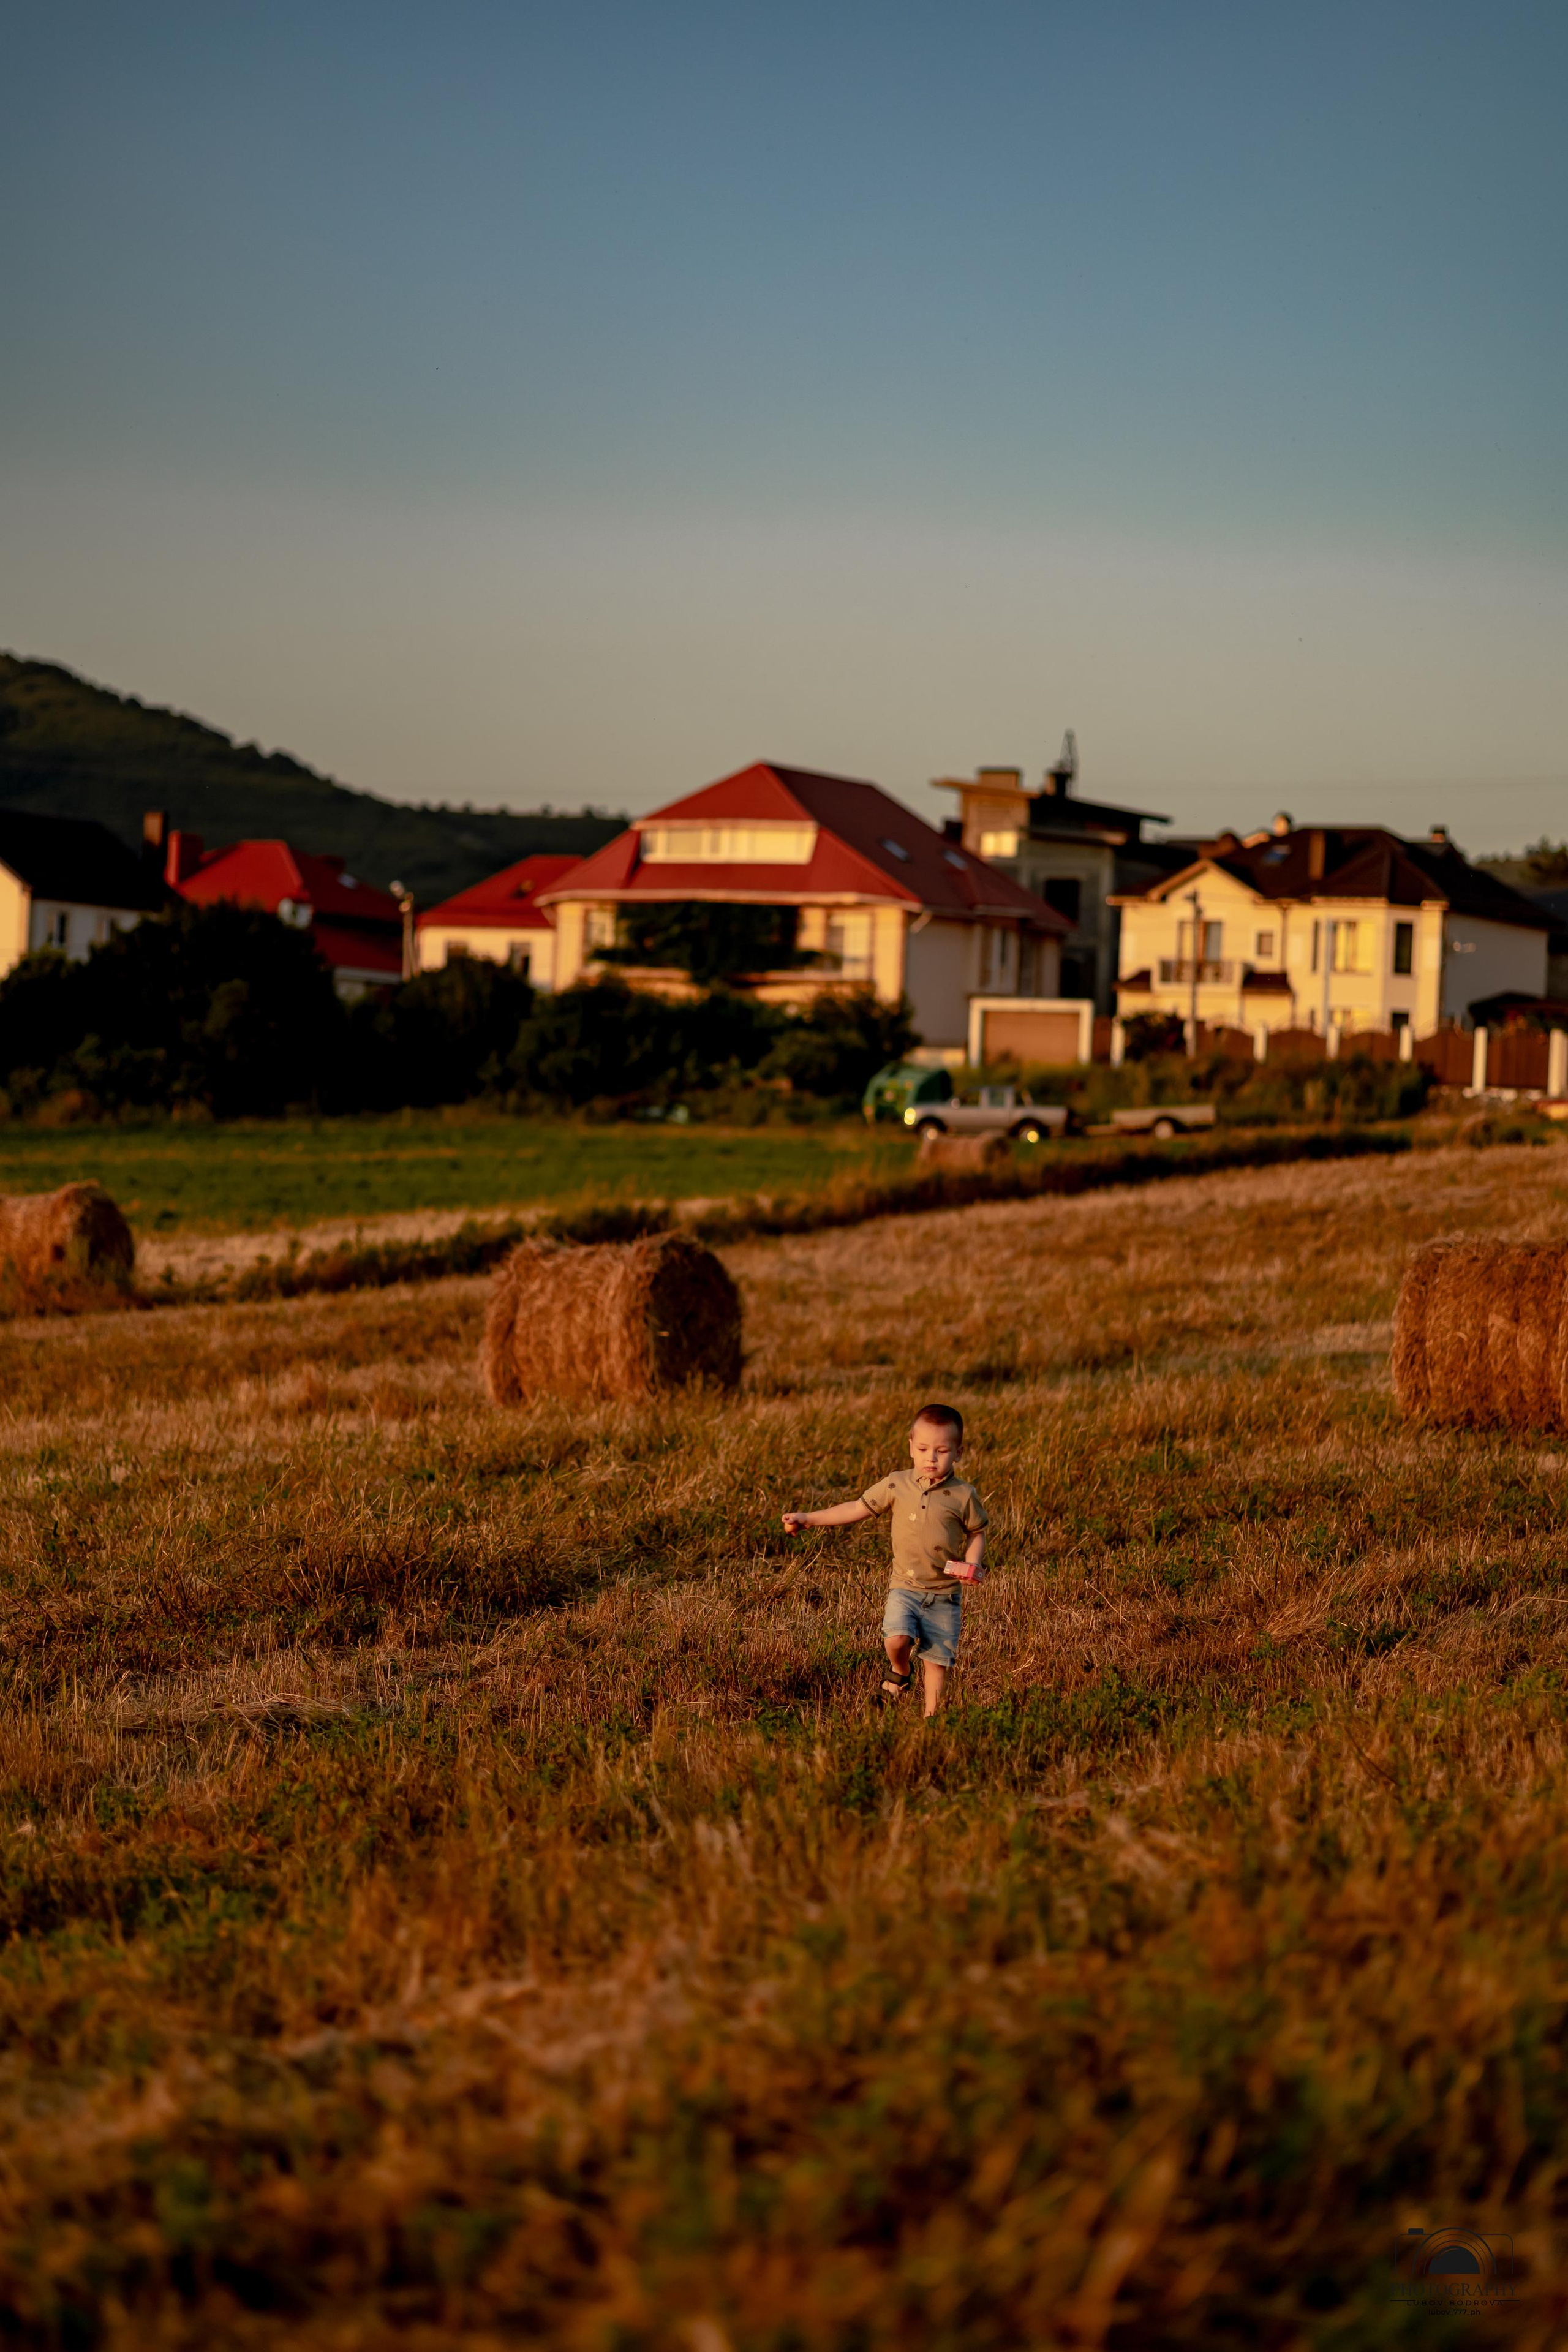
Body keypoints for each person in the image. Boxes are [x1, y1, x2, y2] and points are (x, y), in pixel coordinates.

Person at [781, 1403, 987, 1716]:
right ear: (911, 1447)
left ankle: (932, 1718)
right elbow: (856, 1508)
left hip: (945, 1595)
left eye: (942, 1451)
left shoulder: (964, 1495)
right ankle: (901, 1671)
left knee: (937, 1663)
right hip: (905, 1586)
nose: (931, 1458)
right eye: (923, 1449)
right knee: (896, 1639)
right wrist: (809, 1518)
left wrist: (972, 1563)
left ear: (958, 1452)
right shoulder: (897, 1484)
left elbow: (977, 1533)